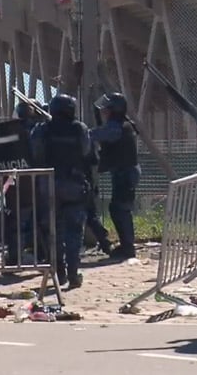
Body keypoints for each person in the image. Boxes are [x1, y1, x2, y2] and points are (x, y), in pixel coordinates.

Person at [30, 94, 90, 289]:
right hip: (73, 183)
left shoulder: (42, 129)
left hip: (49, 183)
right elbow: (86, 151)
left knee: (52, 231)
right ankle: (73, 273)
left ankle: (59, 272)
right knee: (74, 232)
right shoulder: (79, 128)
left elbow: (35, 152)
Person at [91, 92, 141, 261]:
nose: (104, 112)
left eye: (107, 109)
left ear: (114, 110)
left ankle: (128, 248)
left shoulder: (117, 126)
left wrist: (81, 132)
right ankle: (127, 246)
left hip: (125, 173)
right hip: (124, 171)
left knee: (120, 209)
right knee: (118, 208)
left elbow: (100, 135)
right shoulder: (122, 123)